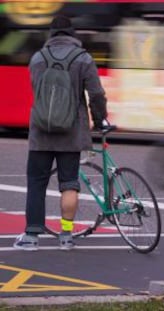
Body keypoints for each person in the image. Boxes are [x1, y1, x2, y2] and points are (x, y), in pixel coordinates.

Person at [13, 16, 108, 251]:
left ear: (51, 34)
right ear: (72, 34)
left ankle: (31, 237)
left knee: (36, 183)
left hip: (41, 132)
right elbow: (96, 94)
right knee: (69, 184)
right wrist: (98, 120)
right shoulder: (83, 58)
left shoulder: (37, 58)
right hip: (72, 132)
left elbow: (38, 92)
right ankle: (66, 235)